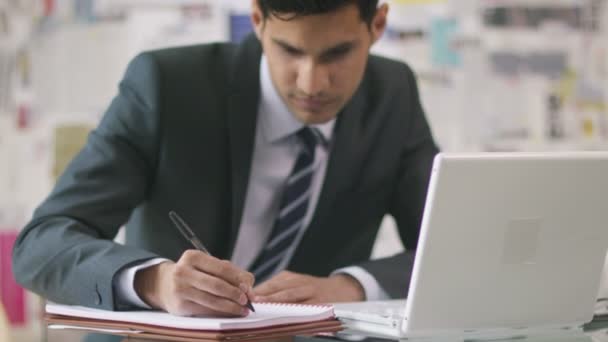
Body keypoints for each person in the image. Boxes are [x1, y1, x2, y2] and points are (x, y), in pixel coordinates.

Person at [13, 0, 438, 320]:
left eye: (337, 54)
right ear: (257, 20)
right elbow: (41, 243)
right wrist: (153, 281)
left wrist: (351, 286)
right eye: (289, 51)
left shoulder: (392, 94)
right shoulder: (167, 87)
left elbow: (444, 248)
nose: (312, 82)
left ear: (377, 25)